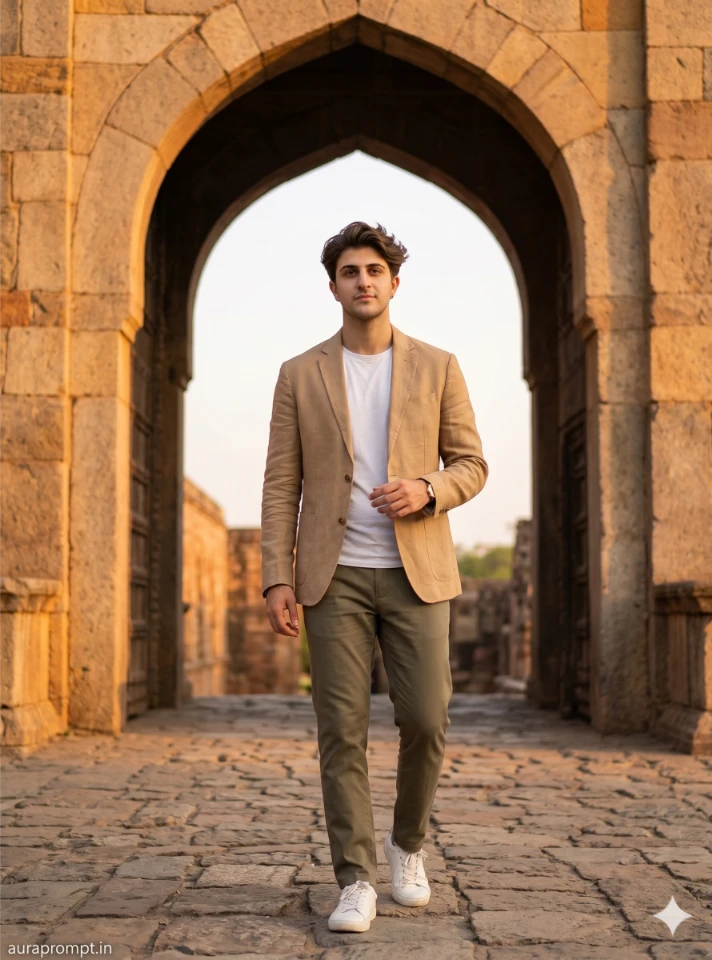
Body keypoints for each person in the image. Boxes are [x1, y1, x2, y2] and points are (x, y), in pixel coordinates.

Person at [261, 221, 488, 932]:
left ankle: (407, 845)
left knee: (425, 717)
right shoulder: (299, 373)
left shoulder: (438, 365)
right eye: (350, 270)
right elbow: (280, 484)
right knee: (341, 730)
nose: (363, 280)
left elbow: (472, 464)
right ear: (331, 285)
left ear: (394, 282)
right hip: (332, 578)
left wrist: (426, 488)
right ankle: (354, 877)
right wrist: (277, 576)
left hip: (415, 570)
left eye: (375, 270)